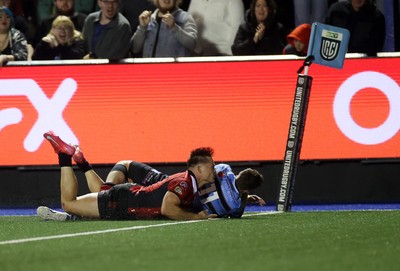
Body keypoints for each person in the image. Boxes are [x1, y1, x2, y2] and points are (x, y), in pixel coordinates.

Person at [37, 131, 217, 221]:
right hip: (123, 202)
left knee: (77, 208)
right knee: (69, 203)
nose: (214, 170)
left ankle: (75, 162)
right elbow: (168, 208)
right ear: (199, 169)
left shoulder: (188, 182)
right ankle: (63, 156)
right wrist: (196, 217)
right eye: (212, 166)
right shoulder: (184, 182)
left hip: (126, 198)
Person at [131, 0, 197, 58]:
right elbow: (134, 49)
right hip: (148, 70)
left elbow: (192, 44)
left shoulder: (185, 18)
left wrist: (174, 27)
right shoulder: (148, 19)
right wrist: (142, 28)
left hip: (173, 71)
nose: (167, 0)